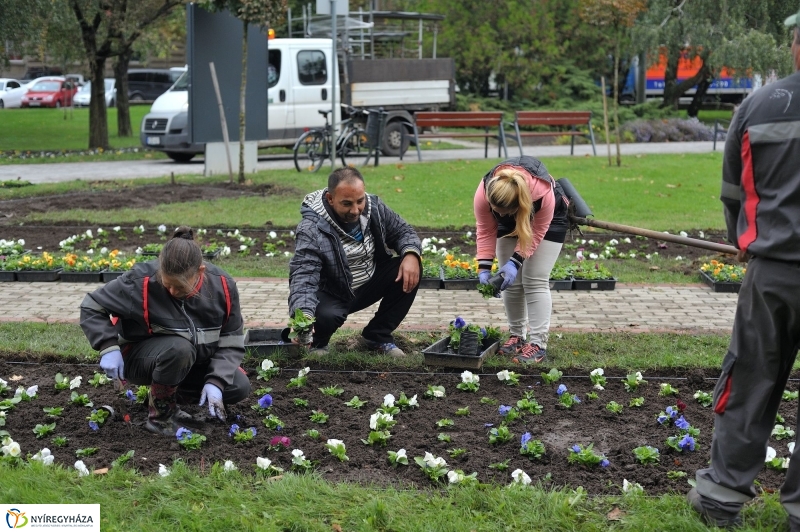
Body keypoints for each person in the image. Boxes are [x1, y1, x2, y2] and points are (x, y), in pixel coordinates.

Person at [687, 11, 800, 530]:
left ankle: (720, 497)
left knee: (750, 380)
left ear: (795, 47)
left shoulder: (759, 105)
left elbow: (733, 191)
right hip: (772, 268)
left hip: (771, 275)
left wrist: (742, 239)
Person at [80, 226, 250, 436]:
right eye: (167, 284)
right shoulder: (140, 281)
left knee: (237, 386)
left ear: (200, 272)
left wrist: (216, 381)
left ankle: (161, 397)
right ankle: (160, 418)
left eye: (180, 287)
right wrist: (108, 347)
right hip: (142, 358)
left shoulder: (223, 287)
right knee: (179, 349)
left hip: (190, 362)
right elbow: (92, 305)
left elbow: (231, 340)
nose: (172, 291)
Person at [288, 166, 421, 357]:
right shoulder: (311, 228)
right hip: (334, 292)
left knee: (410, 268)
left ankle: (377, 336)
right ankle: (317, 343)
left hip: (369, 282)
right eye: (347, 204)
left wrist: (411, 254)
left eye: (360, 201)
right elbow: (304, 275)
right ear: (330, 199)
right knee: (324, 316)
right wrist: (303, 316)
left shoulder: (375, 207)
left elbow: (403, 231)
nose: (355, 210)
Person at [474, 155, 568, 364]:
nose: (498, 215)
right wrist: (484, 268)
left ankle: (538, 344)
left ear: (516, 207)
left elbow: (536, 233)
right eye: (495, 210)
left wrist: (515, 262)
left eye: (502, 212)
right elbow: (485, 229)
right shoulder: (486, 191)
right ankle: (517, 336)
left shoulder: (543, 195)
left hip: (548, 220)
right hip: (515, 209)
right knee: (511, 282)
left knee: (534, 279)